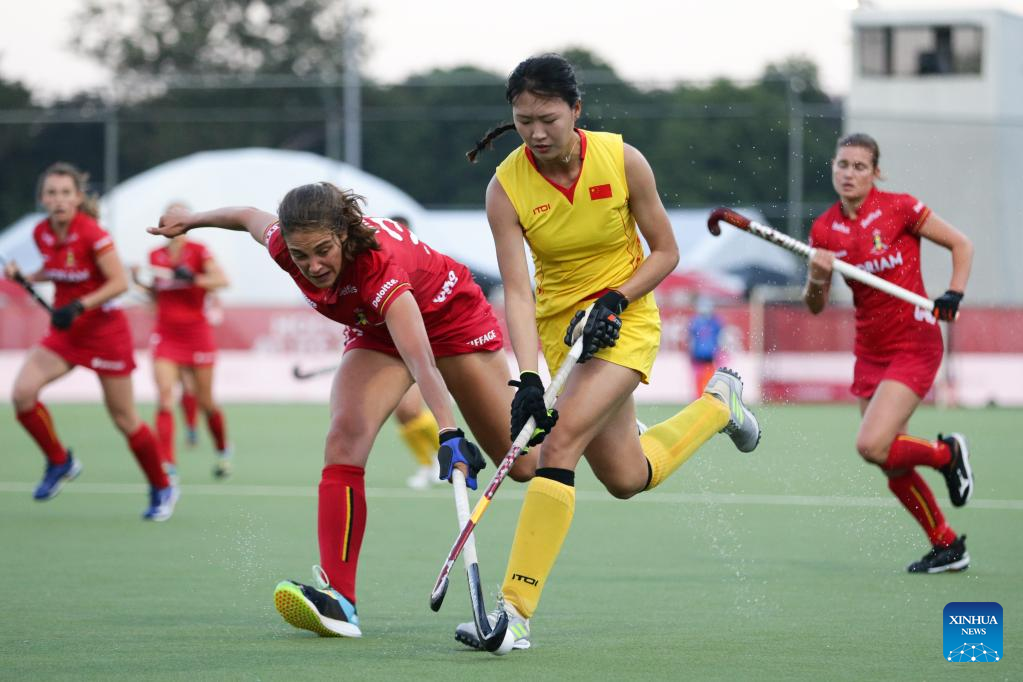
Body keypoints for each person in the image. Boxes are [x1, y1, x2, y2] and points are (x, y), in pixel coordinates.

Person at [453, 54, 761, 652]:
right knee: (625, 477)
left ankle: (513, 615)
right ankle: (718, 406)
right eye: (522, 122)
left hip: (627, 315)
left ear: (576, 110)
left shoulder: (623, 161)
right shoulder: (505, 188)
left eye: (548, 118)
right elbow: (518, 291)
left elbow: (666, 253)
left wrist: (617, 299)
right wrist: (527, 380)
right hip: (559, 332)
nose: (537, 134)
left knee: (558, 447)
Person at [149, 184, 541, 639]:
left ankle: (593, 424)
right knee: (344, 437)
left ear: (344, 234)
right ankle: (341, 601)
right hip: (376, 331)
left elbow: (422, 362)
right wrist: (191, 222)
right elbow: (245, 215)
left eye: (323, 251)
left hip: (450, 321)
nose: (314, 267)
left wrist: (449, 432)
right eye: (301, 256)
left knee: (524, 465)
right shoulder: (283, 243)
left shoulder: (378, 267)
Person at [803, 132, 975, 574]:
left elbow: (962, 245)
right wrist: (818, 277)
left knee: (871, 444)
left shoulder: (900, 208)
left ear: (875, 172)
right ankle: (946, 544)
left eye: (860, 166)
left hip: (914, 342)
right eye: (843, 164)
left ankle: (946, 454)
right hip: (870, 349)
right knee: (887, 458)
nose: (849, 173)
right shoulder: (824, 230)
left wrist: (953, 293)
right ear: (833, 168)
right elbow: (815, 306)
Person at [5, 162, 176, 520]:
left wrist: (79, 305)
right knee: (22, 394)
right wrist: (25, 275)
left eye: (66, 193)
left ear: (78, 197)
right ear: (42, 199)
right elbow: (56, 268)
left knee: (125, 419)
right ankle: (59, 461)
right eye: (51, 193)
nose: (58, 200)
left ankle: (162, 485)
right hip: (67, 334)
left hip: (104, 334)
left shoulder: (92, 234)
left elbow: (118, 283)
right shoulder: (42, 232)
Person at [134, 206, 233, 480]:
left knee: (206, 402)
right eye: (166, 220)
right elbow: (155, 295)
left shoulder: (199, 250)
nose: (171, 225)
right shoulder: (155, 256)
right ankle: (168, 464)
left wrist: (196, 278)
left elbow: (222, 281)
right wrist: (137, 282)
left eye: (177, 219)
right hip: (166, 334)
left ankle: (223, 449)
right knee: (166, 397)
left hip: (197, 335)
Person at [385, 215, 443, 490]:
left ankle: (446, 457)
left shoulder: (421, 263)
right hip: (393, 348)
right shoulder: (380, 265)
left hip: (421, 346)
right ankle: (427, 464)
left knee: (410, 408)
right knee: (402, 414)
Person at [688, 296, 724, 399]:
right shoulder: (695, 321)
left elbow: (720, 337)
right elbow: (692, 338)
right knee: (699, 376)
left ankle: (709, 396)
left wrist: (719, 351)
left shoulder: (715, 322)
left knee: (710, 376)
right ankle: (699, 396)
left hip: (710, 354)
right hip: (698, 354)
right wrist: (691, 352)